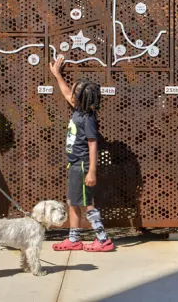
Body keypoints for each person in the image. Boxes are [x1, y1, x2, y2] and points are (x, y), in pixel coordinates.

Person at [49, 56, 114, 252]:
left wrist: (92, 171)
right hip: (75, 165)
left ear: (81, 99)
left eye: (76, 91)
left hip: (83, 166)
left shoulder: (88, 119)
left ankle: (103, 240)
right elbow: (67, 93)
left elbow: (93, 145)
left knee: (87, 204)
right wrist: (57, 75)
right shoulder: (79, 110)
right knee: (74, 202)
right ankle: (74, 239)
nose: (72, 94)